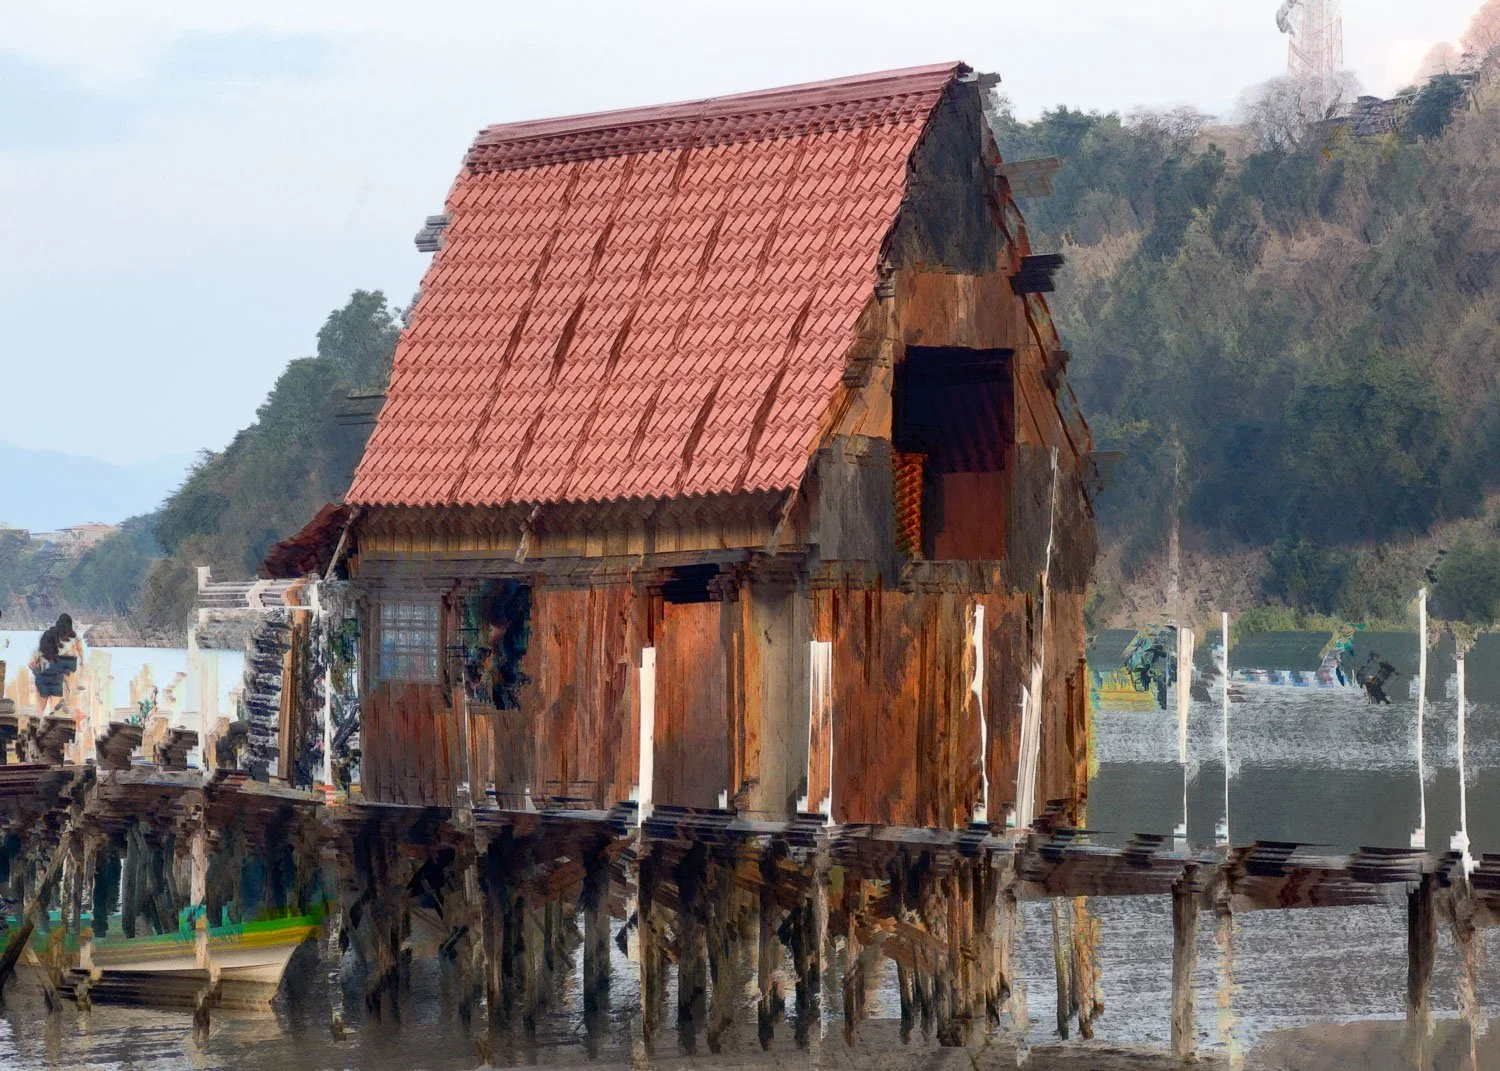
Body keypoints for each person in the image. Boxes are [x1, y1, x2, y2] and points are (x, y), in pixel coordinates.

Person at [32, 613, 81, 717]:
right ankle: (53, 717)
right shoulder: (62, 649)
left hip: (42, 679)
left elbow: (31, 663)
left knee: (40, 709)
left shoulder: (40, 651)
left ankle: (38, 727)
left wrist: (36, 674)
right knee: (54, 709)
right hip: (57, 679)